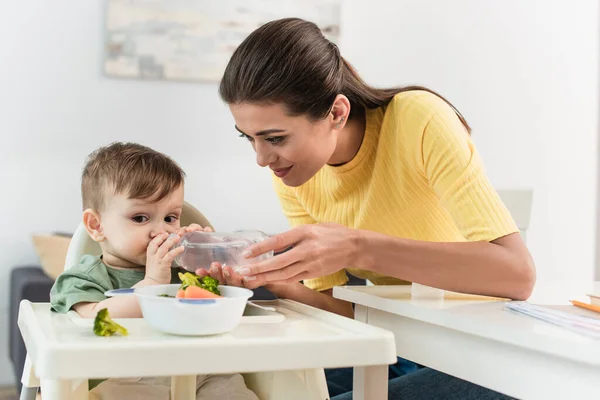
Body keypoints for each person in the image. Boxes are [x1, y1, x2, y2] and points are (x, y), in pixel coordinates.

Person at [203, 17, 535, 399]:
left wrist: (358, 247)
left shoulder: (418, 119)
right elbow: (343, 316)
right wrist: (273, 282)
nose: (262, 158)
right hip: (400, 346)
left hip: (482, 353)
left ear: (337, 113)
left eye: (275, 138)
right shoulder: (294, 173)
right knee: (257, 388)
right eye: (250, 139)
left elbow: (518, 275)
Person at [50, 142, 258, 400]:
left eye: (170, 218)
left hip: (202, 371)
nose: (161, 231)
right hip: (125, 377)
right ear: (96, 225)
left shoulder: (183, 270)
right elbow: (93, 321)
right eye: (140, 218)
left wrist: (211, 272)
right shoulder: (84, 278)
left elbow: (224, 320)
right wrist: (151, 284)